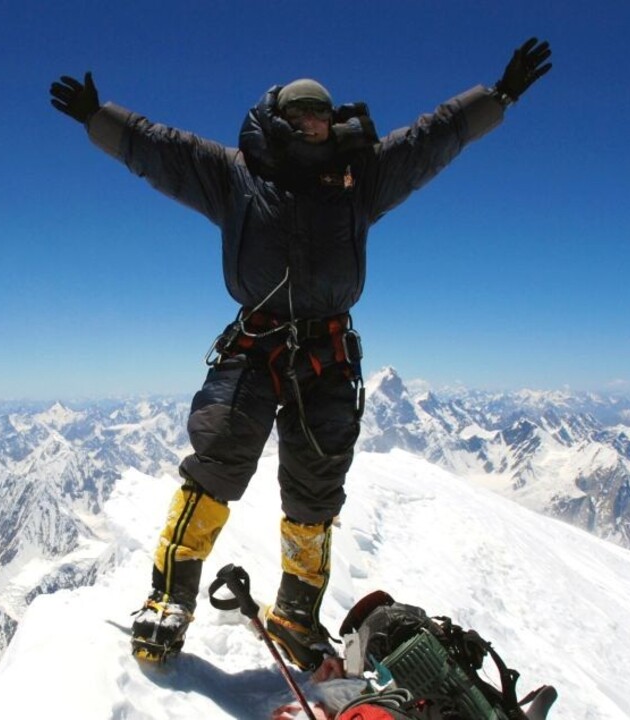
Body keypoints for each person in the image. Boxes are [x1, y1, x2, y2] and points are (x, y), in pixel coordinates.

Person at [49, 38, 552, 671]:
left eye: (322, 112)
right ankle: (167, 600)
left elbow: (433, 140)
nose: (314, 121)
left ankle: (296, 611)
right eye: (302, 113)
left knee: (316, 493)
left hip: (328, 353)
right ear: (279, 120)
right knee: (217, 462)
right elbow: (161, 151)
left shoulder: (358, 177)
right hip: (257, 343)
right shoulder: (238, 175)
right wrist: (102, 118)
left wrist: (496, 96)